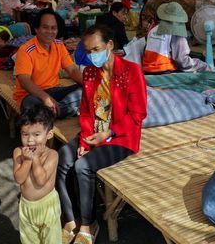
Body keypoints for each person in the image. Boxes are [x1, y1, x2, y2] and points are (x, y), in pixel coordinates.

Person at [57, 25, 148, 244]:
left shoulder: (130, 71)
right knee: (60, 159)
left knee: (82, 166)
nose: (92, 56)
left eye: (95, 49)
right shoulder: (89, 73)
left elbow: (138, 114)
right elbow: (87, 110)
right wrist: (86, 139)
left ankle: (89, 224)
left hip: (121, 137)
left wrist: (108, 132)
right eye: (88, 51)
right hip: (94, 132)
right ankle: (71, 219)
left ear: (109, 45)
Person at [13, 8, 83, 117]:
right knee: (32, 106)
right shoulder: (25, 50)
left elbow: (72, 69)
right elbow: (24, 81)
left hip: (55, 91)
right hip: (31, 95)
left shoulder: (59, 45)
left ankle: (54, 111)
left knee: (85, 91)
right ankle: (62, 110)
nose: (50, 32)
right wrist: (45, 98)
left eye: (53, 28)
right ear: (36, 29)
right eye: (45, 27)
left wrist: (89, 85)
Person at [13, 105, 60, 244]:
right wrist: (27, 161)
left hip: (48, 206)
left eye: (36, 134)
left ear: (49, 134)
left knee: (51, 239)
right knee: (29, 240)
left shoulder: (52, 155)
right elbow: (19, 179)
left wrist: (35, 159)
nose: (30, 140)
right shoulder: (18, 152)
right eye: (25, 134)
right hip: (26, 206)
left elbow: (41, 180)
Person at [142, 1, 211, 73]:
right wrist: (202, 65)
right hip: (164, 72)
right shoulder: (176, 33)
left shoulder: (153, 30)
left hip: (147, 70)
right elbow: (182, 61)